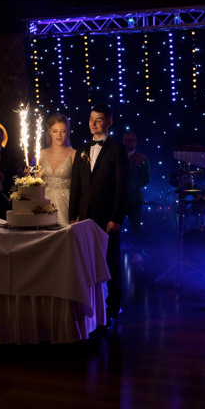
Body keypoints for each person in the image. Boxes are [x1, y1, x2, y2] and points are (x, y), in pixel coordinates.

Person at [69, 104, 129, 330]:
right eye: (91, 119)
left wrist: (116, 217)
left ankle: (112, 310)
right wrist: (72, 215)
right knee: (84, 262)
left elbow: (122, 186)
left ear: (109, 122)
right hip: (83, 216)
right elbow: (76, 184)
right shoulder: (82, 149)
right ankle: (89, 309)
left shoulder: (117, 148)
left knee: (111, 263)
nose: (94, 124)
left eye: (100, 120)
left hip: (107, 217)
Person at [37, 113, 76, 226]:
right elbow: (32, 180)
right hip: (43, 203)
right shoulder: (41, 154)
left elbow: (79, 185)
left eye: (63, 131)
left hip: (66, 204)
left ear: (67, 132)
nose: (59, 135)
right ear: (49, 131)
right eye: (55, 131)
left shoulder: (73, 154)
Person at [123, 131, 150, 242]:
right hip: (119, 199)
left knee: (136, 227)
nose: (128, 143)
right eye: (126, 140)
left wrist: (133, 185)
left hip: (134, 199)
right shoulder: (117, 157)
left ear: (136, 142)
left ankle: (138, 253)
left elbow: (146, 179)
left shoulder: (142, 158)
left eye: (131, 140)